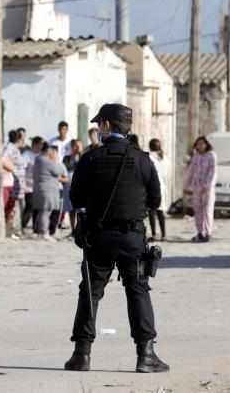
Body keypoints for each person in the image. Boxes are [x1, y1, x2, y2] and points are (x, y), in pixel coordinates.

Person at [64, 103, 168, 374]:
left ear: (107, 125)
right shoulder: (142, 160)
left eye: (100, 123)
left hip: (97, 237)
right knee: (138, 291)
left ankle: (81, 355)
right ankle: (146, 355)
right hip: (131, 237)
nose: (98, 128)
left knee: (90, 293)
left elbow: (75, 199)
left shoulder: (89, 159)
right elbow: (156, 200)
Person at [31, 144, 69, 241]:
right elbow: (59, 170)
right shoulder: (46, 161)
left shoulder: (37, 160)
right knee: (46, 212)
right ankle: (44, 233)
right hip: (47, 190)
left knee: (42, 212)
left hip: (40, 189)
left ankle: (41, 232)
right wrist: (55, 160)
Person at [183, 136, 217, 242]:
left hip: (207, 189)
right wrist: (186, 185)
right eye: (198, 144)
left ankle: (208, 232)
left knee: (207, 211)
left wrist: (207, 185)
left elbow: (213, 172)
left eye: (201, 144)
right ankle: (200, 232)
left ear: (206, 144)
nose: (199, 146)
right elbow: (191, 171)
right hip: (197, 188)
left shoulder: (211, 155)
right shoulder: (196, 156)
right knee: (198, 212)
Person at [21, 136, 44, 233]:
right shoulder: (26, 154)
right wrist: (23, 184)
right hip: (29, 186)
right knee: (29, 207)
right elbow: (22, 169)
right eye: (40, 144)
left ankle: (36, 229)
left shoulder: (43, 155)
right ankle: (23, 227)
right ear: (34, 144)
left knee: (38, 208)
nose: (41, 146)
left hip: (40, 187)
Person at [3, 130, 26, 228]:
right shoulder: (10, 148)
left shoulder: (15, 149)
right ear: (19, 139)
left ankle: (10, 227)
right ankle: (8, 228)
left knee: (13, 207)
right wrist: (13, 169)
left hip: (17, 183)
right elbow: (3, 160)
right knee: (10, 207)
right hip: (12, 182)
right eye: (23, 137)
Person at [148, 139, 168, 241]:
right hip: (162, 187)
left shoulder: (149, 157)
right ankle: (164, 235)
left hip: (152, 186)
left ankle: (154, 235)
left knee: (151, 211)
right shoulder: (164, 158)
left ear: (150, 146)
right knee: (160, 212)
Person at [62, 139, 83, 231]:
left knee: (81, 209)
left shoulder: (83, 157)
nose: (77, 148)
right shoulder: (66, 158)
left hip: (81, 187)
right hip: (69, 187)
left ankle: (80, 230)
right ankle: (73, 230)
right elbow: (63, 169)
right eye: (75, 145)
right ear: (71, 147)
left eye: (79, 145)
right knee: (71, 209)